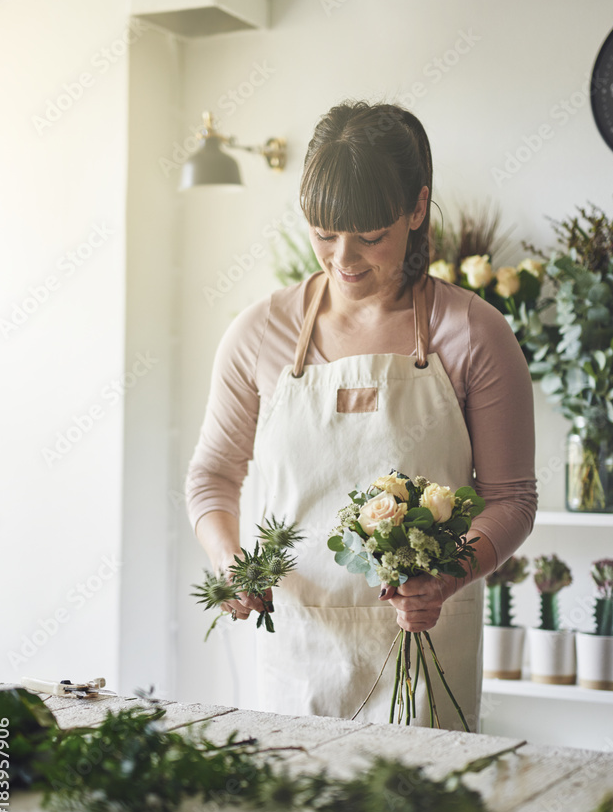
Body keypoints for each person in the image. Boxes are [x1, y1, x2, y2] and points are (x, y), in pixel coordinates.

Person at [186, 100, 537, 731]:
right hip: (298, 657)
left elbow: (512, 499)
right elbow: (212, 476)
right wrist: (228, 563)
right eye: (324, 233)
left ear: (416, 208)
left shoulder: (474, 334)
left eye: (370, 237)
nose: (343, 258)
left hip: (425, 653)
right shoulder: (260, 332)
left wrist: (447, 577)